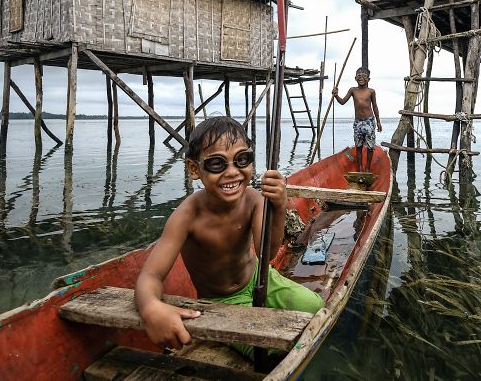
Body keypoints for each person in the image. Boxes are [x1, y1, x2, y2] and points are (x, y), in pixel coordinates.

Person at [135, 116, 323, 354]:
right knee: (266, 350)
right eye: (217, 164)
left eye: (242, 160)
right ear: (194, 169)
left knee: (315, 306)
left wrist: (278, 207)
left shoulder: (254, 199)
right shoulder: (187, 216)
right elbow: (150, 275)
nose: (232, 172)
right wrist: (151, 307)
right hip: (221, 301)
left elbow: (268, 253)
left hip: (261, 279)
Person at [331, 67, 382, 172]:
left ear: (368, 79)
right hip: (358, 122)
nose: (361, 78)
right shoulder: (353, 90)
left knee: (370, 147)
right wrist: (336, 95)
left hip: (369, 121)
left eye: (364, 76)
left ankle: (367, 168)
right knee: (358, 146)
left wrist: (378, 121)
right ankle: (359, 168)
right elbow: (342, 101)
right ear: (355, 78)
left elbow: (375, 107)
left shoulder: (371, 91)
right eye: (359, 76)